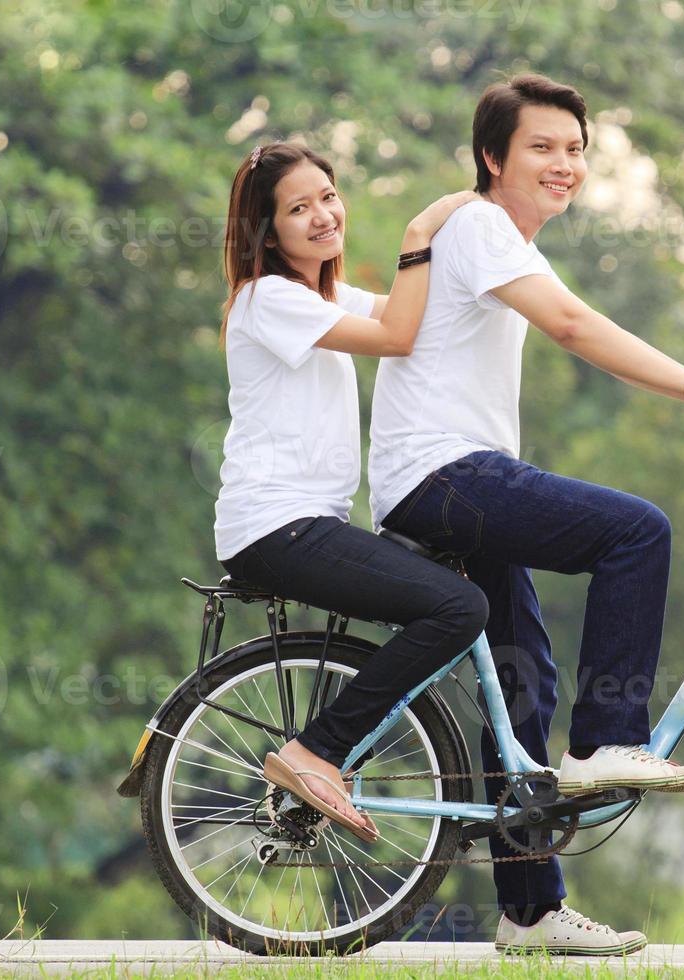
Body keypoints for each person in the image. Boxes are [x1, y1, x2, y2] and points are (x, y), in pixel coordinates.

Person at [369, 75, 684, 954]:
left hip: (450, 477)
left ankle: (527, 913)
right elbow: (571, 326)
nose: (565, 165)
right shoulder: (480, 228)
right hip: (444, 475)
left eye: (575, 149)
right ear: (493, 158)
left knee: (520, 686)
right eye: (542, 148)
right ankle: (606, 743)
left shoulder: (491, 233)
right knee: (636, 530)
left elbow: (565, 318)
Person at [214, 140, 483, 843]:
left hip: (302, 526)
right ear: (267, 232)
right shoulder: (269, 298)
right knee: (457, 607)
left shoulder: (323, 297)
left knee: (459, 585)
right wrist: (420, 235)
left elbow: (417, 318)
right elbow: (397, 336)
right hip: (276, 528)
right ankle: (316, 751)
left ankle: (329, 752)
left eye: (327, 196)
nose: (323, 215)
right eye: (298, 208)